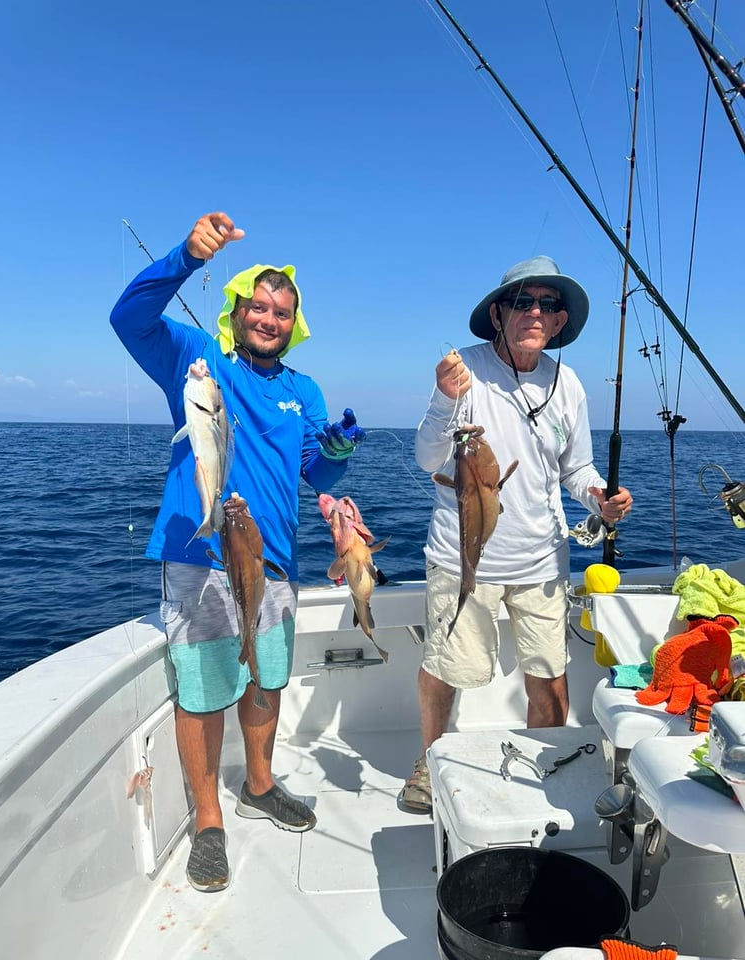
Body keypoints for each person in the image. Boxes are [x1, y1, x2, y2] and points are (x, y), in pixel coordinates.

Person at [111, 211, 364, 890]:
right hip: (199, 558)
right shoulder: (200, 358)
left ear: (294, 322)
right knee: (201, 693)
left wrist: (338, 444)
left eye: (282, 312)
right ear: (237, 309)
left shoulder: (302, 390)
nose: (269, 319)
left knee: (265, 678)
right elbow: (129, 318)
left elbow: (320, 474)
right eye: (258, 307)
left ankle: (259, 783)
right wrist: (186, 257)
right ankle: (208, 820)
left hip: (276, 561)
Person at [401, 255, 633, 813]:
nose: (535, 311)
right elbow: (427, 457)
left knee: (550, 678)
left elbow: (575, 469)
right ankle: (430, 761)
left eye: (548, 305)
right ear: (499, 312)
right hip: (463, 559)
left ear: (558, 323)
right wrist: (441, 399)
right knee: (445, 665)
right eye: (523, 302)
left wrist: (600, 497)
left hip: (541, 561)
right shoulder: (465, 372)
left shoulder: (568, 383)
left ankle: (548, 761)